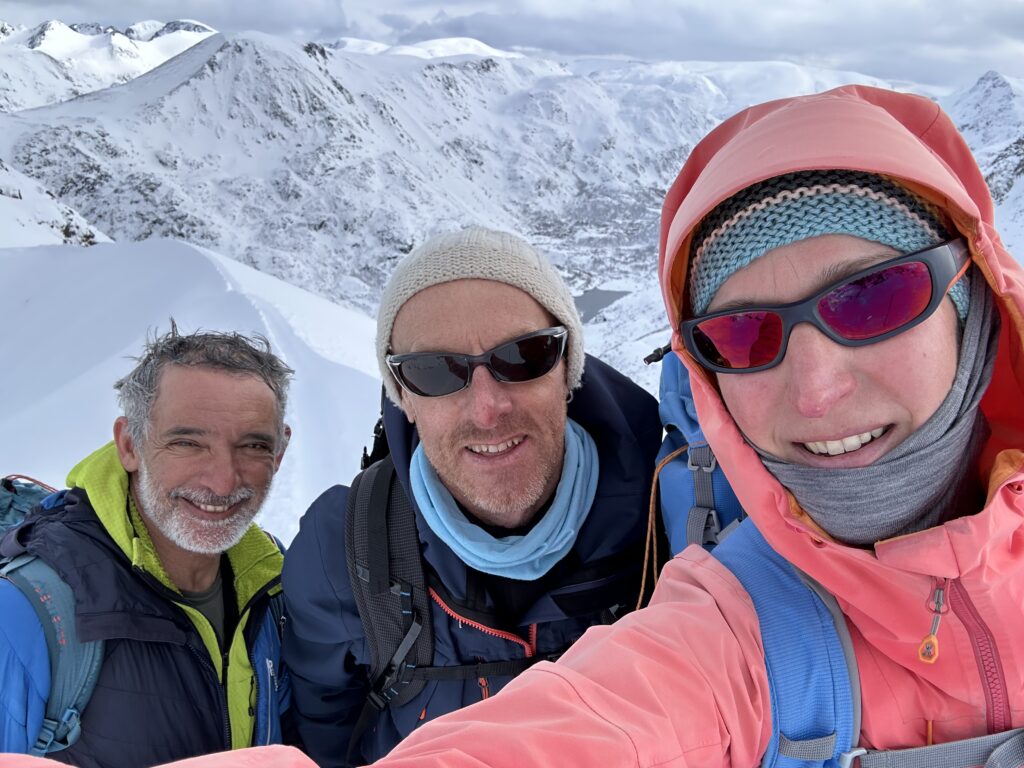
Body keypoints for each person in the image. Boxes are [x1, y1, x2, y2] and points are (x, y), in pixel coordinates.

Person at [321, 85, 1024, 766]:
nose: (817, 392)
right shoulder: (733, 621)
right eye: (743, 334)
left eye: (873, 297)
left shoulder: (656, 498)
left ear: (975, 298)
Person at [282, 226, 663, 766]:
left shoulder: (674, 517)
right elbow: (326, 745)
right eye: (434, 371)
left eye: (524, 356)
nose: (487, 409)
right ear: (403, 398)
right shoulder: (343, 554)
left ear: (567, 370)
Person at [0, 326, 295, 766]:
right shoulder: (27, 611)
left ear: (279, 453)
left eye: (253, 445)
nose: (223, 481)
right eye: (187, 443)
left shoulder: (273, 587)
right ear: (129, 445)